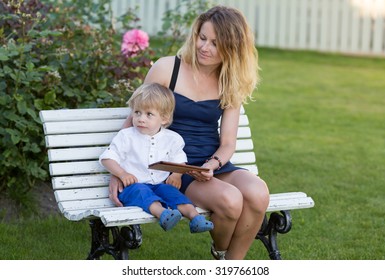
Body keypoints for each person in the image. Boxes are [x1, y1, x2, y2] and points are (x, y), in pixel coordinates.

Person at [109, 5, 270, 260]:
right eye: (202, 38)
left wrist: (212, 165)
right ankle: (221, 252)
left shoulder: (230, 81)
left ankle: (232, 266)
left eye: (216, 43)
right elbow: (135, 119)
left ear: (232, 48)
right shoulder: (167, 69)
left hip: (211, 165)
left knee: (259, 193)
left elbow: (227, 142)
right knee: (230, 201)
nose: (205, 47)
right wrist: (119, 171)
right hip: (175, 168)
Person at [100, 83, 214, 233]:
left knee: (172, 193)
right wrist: (122, 174)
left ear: (164, 118)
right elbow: (107, 158)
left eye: (149, 114)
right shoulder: (126, 136)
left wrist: (177, 174)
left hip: (160, 184)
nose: (141, 119)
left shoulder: (172, 138)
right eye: (137, 112)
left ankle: (196, 218)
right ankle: (163, 215)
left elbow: (180, 159)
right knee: (142, 192)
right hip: (132, 186)